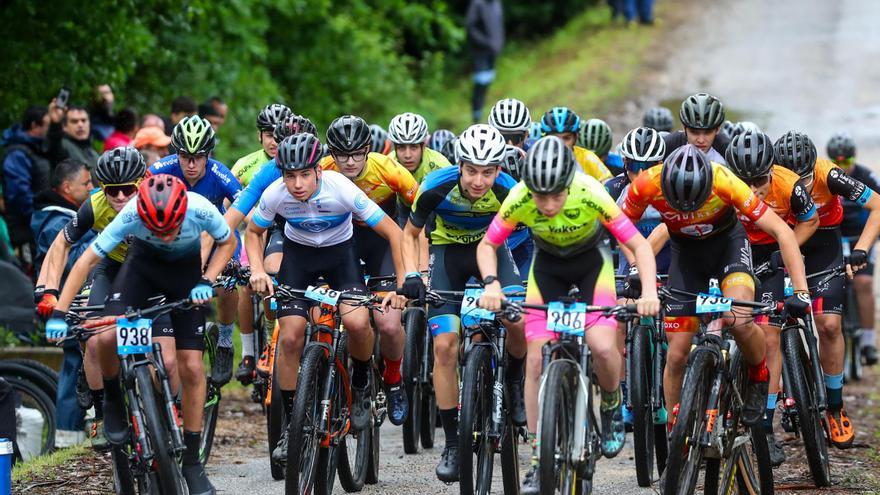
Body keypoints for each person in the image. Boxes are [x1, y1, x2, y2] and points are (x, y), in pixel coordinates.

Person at [477, 135, 660, 492]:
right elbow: (488, 244)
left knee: (604, 346)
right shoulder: (520, 197)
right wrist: (491, 284)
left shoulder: (589, 190)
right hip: (547, 270)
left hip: (592, 265)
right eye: (539, 196)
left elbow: (638, 244)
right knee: (533, 361)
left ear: (568, 184)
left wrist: (649, 292)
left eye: (555, 195)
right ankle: (536, 457)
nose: (546, 205)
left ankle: (609, 401)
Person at [47, 173, 237, 495]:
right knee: (105, 337)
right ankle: (112, 400)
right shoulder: (131, 212)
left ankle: (191, 463)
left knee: (191, 366)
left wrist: (207, 279)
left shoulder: (201, 208)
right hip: (140, 274)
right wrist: (58, 313)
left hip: (184, 277)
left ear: (184, 213)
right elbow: (85, 263)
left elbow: (228, 241)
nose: (164, 236)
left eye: (171, 228)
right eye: (155, 230)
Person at [621, 144, 810, 434]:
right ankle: (676, 434)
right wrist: (635, 266)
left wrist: (801, 291)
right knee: (677, 352)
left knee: (740, 317)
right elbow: (622, 227)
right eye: (680, 206)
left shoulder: (725, 180)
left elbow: (781, 231)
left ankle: (759, 374)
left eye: (696, 204)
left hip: (728, 248)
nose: (690, 212)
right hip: (686, 257)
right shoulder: (646, 183)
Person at [244, 132, 406, 464]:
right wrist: (258, 270)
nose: (298, 183)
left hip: (341, 258)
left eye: (305, 174)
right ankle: (291, 425)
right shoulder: (275, 194)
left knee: (357, 322)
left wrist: (402, 283)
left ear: (319, 170)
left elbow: (393, 231)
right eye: (290, 176)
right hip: (298, 260)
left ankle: (361, 383)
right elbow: (252, 231)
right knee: (290, 336)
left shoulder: (341, 187)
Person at [398, 124, 527, 482]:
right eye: (471, 171)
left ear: (499, 169)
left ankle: (514, 384)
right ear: (460, 166)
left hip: (494, 255)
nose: (478, 181)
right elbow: (409, 234)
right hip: (447, 257)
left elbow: (531, 235)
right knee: (444, 347)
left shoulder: (509, 191)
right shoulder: (435, 186)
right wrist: (412, 274)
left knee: (518, 322)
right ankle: (453, 443)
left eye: (488, 172)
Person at [35, 147, 151, 450]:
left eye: (129, 189)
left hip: (151, 264)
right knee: (90, 326)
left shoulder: (157, 194)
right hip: (111, 265)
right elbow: (61, 246)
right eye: (114, 190)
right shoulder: (95, 205)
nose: (123, 197)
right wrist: (47, 289)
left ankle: (166, 403)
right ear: (103, 189)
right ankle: (102, 412)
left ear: (142, 181)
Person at [775, 130, 880, 449]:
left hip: (824, 245)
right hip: (784, 243)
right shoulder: (771, 178)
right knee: (766, 326)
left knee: (830, 325)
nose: (803, 187)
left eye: (806, 179)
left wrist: (862, 249)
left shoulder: (828, 173)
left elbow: (877, 205)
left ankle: (834, 407)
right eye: (796, 180)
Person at [725, 130, 819, 465]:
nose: (752, 190)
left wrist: (786, 246)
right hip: (733, 248)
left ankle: (765, 424)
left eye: (760, 180)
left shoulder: (789, 184)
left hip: (771, 250)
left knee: (769, 335)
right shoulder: (721, 185)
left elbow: (811, 220)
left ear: (771, 171)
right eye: (744, 181)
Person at [320, 115, 418, 426]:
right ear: (331, 153)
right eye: (341, 154)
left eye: (355, 154)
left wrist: (413, 272)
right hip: (342, 242)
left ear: (367, 150)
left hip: (383, 242)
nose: (349, 162)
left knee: (388, 324)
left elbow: (420, 213)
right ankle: (358, 375)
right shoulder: (322, 169)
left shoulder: (387, 168)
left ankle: (393, 379)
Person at [224, 114, 319, 384]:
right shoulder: (262, 169)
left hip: (323, 234)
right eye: (282, 143)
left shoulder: (328, 169)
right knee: (267, 273)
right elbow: (235, 216)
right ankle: (268, 335)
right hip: (275, 228)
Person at [150, 116, 242, 385]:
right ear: (175, 154)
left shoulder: (220, 173)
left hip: (218, 235)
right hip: (178, 238)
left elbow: (243, 205)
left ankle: (225, 341)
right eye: (184, 156)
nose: (191, 164)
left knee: (228, 282)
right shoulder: (160, 170)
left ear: (208, 155)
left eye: (198, 157)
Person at [30, 159, 93, 448]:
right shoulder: (56, 221)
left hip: (78, 303)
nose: (93, 189)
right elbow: (72, 260)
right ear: (67, 187)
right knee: (74, 370)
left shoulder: (66, 214)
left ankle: (79, 436)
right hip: (67, 306)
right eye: (87, 184)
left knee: (81, 367)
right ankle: (69, 439)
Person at [229, 103, 291, 380]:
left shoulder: (295, 159)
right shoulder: (245, 165)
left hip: (283, 230)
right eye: (268, 134)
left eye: (279, 134)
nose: (274, 141)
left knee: (276, 284)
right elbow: (226, 204)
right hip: (252, 231)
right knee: (246, 285)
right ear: (260, 136)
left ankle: (271, 334)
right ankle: (249, 353)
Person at [827, 131, 880, 365]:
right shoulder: (827, 178)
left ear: (854, 159)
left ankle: (868, 341)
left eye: (846, 162)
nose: (842, 167)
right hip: (837, 237)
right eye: (836, 163)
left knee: (864, 283)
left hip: (861, 237)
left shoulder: (867, 176)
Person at [2, 105, 51, 261]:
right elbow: (18, 195)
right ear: (34, 125)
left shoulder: (35, 149)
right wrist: (39, 220)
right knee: (30, 277)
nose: (49, 131)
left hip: (38, 227)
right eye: (47, 126)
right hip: (26, 231)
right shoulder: (17, 153)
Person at [539, 107, 613, 183]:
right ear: (544, 138)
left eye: (566, 138)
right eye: (554, 138)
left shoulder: (587, 158)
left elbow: (608, 184)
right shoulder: (535, 158)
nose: (560, 144)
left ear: (575, 138)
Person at [663, 92, 729, 164]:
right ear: (684, 128)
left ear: (718, 129)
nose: (701, 140)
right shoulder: (669, 144)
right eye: (694, 132)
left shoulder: (726, 149)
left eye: (708, 132)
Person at [465, 0, 504, 123]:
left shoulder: (496, 3)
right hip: (480, 53)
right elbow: (470, 27)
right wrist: (487, 43)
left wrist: (498, 42)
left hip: (493, 52)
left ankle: (481, 112)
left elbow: (499, 25)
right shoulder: (477, 4)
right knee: (480, 84)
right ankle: (476, 117)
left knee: (487, 81)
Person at [387, 112, 451, 184]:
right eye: (401, 147)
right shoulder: (385, 166)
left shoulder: (441, 166)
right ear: (395, 148)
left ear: (423, 146)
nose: (408, 155)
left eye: (414, 147)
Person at [46, 102, 99, 171]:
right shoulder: (62, 146)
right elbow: (54, 147)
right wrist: (55, 124)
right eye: (74, 121)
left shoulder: (92, 151)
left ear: (89, 123)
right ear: (64, 126)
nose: (80, 125)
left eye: (83, 120)